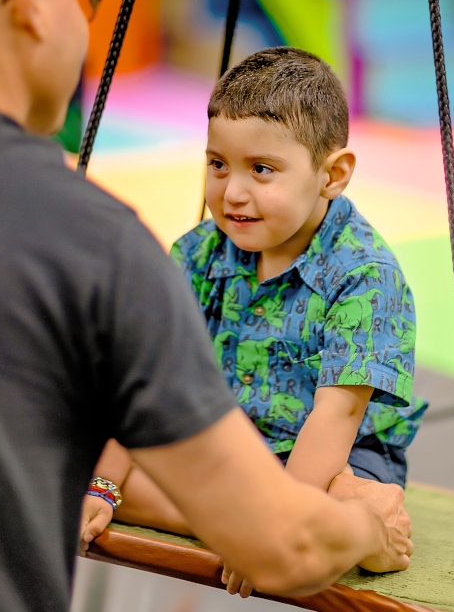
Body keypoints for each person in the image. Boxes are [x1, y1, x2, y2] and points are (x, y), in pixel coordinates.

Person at [0, 0, 412, 612]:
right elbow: (286, 543)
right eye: (87, 0)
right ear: (32, 1)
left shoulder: (351, 273)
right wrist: (365, 525)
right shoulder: (86, 243)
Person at [80, 49, 427, 597]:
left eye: (261, 170)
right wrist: (101, 489)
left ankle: (333, 523)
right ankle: (317, 528)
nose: (232, 191)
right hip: (236, 445)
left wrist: (274, 529)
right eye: (218, 164)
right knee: (87, 460)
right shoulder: (196, 256)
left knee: (343, 496)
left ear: (332, 175)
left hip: (335, 451)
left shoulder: (365, 276)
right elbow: (148, 383)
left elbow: (338, 415)